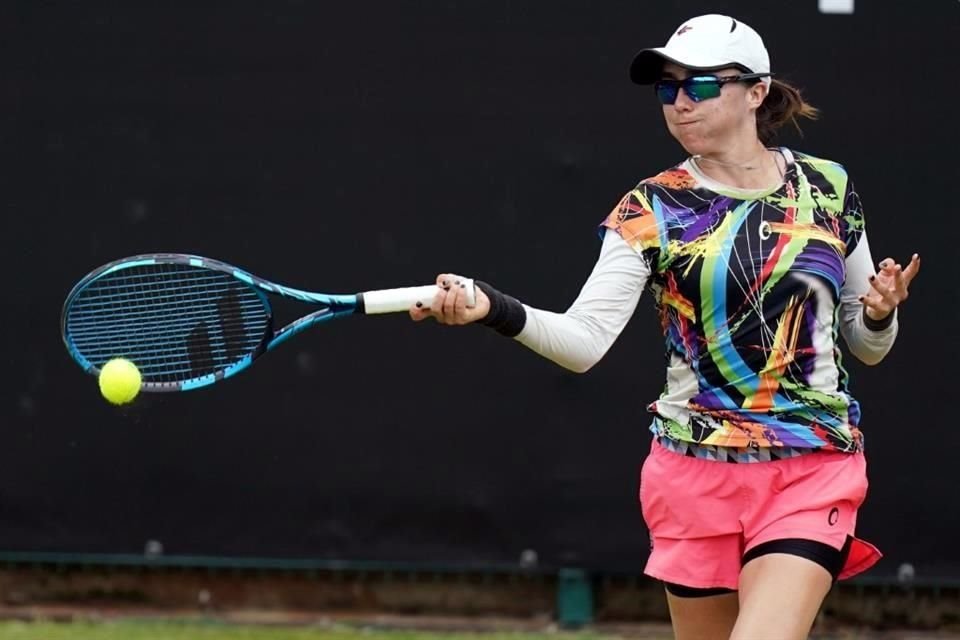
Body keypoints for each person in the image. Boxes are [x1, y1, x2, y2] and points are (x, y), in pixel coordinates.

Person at [410, 14, 920, 640]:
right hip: (692, 477)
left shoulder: (828, 187)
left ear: (755, 92)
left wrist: (878, 313)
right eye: (667, 89)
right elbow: (583, 342)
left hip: (811, 467)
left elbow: (867, 348)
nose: (679, 103)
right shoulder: (649, 207)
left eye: (699, 86)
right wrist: (493, 308)